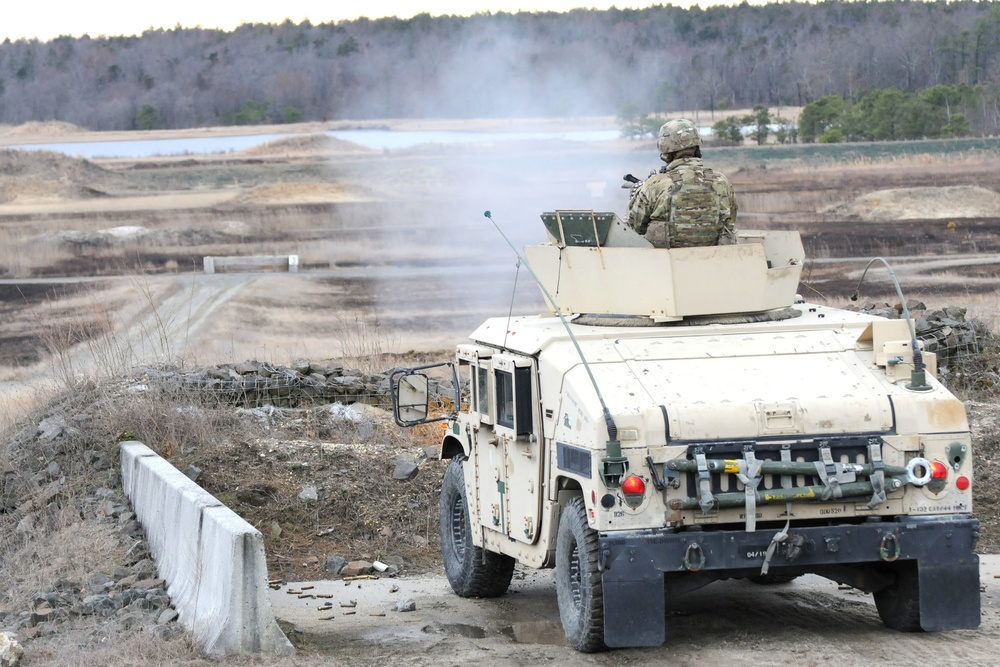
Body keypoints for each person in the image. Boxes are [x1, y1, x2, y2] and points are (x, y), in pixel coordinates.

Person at [626, 118, 738, 248]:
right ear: (697, 147)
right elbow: (731, 220)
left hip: (665, 263)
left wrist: (636, 194)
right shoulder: (722, 182)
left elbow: (634, 227)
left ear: (665, 150)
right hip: (714, 260)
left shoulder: (655, 184)